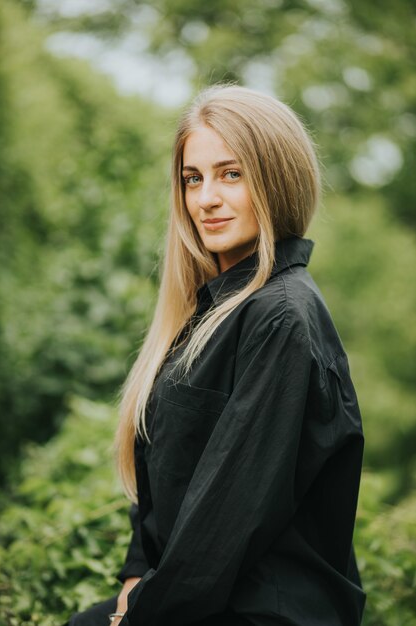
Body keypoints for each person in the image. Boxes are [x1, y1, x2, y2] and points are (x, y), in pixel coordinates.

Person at [65, 84, 366, 626]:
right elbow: (163, 471)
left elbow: (225, 521)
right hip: (189, 597)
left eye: (231, 174)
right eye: (192, 178)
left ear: (277, 179)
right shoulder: (209, 309)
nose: (206, 198)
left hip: (260, 611)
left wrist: (139, 617)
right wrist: (136, 577)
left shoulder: (280, 318)